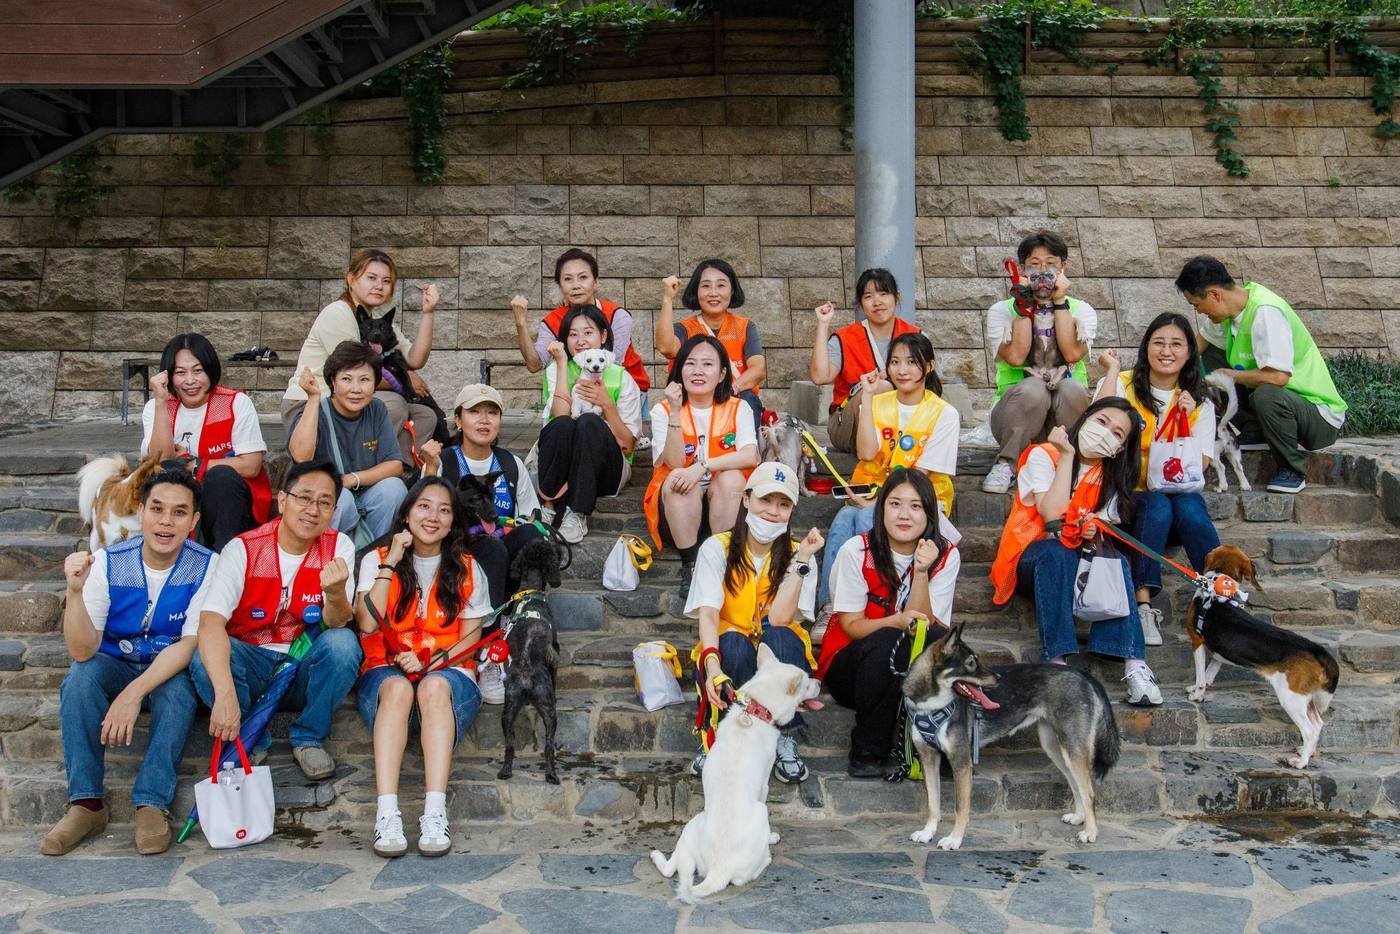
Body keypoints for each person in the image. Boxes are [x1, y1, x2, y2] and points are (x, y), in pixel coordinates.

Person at [42, 471, 216, 857]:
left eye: (179, 512)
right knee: (80, 678)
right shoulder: (108, 561)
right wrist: (74, 593)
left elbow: (188, 645)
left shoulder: (206, 566)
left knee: (177, 693)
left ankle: (151, 802)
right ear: (141, 512)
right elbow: (83, 649)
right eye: (157, 509)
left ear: (194, 521)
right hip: (115, 662)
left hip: (166, 667)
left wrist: (131, 696)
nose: (166, 521)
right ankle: (86, 805)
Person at [192, 460, 361, 780]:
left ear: (333, 510)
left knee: (343, 644)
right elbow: (211, 622)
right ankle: (247, 735)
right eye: (304, 498)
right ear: (282, 500)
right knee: (203, 655)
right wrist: (225, 694)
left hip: (301, 668)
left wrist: (336, 593)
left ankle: (309, 736)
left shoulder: (338, 546)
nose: (313, 509)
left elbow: (337, 622)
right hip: (252, 663)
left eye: (324, 502)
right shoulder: (242, 549)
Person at [989, 398, 1162, 705]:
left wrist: (1095, 528)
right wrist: (1067, 455)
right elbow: (1052, 514)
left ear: (1119, 449)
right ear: (1087, 417)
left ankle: (1135, 665)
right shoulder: (1043, 455)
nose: (1106, 432)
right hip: (1033, 558)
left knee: (1117, 559)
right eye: (1103, 421)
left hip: (1081, 562)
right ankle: (1056, 663)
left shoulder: (1111, 477)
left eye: (1118, 434)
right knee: (1056, 551)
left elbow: (1103, 525)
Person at [355, 478, 490, 858]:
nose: (433, 516)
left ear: (453, 522)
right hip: (385, 673)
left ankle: (434, 811)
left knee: (431, 687)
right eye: (424, 506)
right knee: (399, 688)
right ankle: (387, 814)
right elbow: (367, 623)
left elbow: (470, 639)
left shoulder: (467, 568)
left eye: (444, 510)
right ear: (407, 514)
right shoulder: (377, 558)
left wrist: (431, 662)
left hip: (449, 676)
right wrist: (391, 561)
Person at [687, 462, 823, 783]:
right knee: (732, 643)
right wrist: (712, 667)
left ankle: (783, 736)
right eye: (765, 500)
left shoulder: (800, 554)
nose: (773, 512)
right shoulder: (716, 548)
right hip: (730, 651)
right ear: (747, 499)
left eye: (784, 504)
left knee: (779, 636)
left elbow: (779, 618)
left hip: (776, 651)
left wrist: (801, 560)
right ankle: (719, 736)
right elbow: (708, 612)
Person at [818, 469, 959, 778]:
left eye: (915, 506)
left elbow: (928, 626)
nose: (904, 514)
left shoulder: (946, 555)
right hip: (852, 669)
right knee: (886, 642)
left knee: (941, 640)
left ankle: (937, 741)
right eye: (894, 504)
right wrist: (896, 620)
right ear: (880, 510)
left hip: (911, 662)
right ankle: (869, 748)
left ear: (929, 513)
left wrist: (922, 571)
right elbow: (851, 626)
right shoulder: (856, 551)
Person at [1096, 314, 1222, 646]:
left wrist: (1181, 418)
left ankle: (1220, 595)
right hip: (1125, 499)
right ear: (1146, 347)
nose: (1167, 351)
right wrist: (1110, 371)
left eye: (1177, 344)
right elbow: (1094, 425)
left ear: (1189, 353)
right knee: (1158, 505)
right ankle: (1143, 606)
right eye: (1159, 342)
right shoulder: (1123, 383)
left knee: (1189, 508)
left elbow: (1201, 465)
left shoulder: (1199, 400)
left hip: (1176, 499)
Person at [1174, 255, 1348, 494]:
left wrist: (1228, 375)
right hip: (1282, 406)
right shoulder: (1227, 312)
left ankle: (1292, 470)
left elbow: (1278, 378)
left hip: (1318, 416)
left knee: (1266, 394)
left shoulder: (1266, 312)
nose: (1199, 311)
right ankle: (1253, 429)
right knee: (1212, 355)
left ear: (1214, 294)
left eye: (1196, 304)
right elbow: (1193, 350)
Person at [816, 333, 959, 617]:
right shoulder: (879, 402)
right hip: (871, 492)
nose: (902, 370)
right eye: (895, 362)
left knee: (867, 517)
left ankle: (875, 598)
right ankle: (831, 607)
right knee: (844, 520)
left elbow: (918, 477)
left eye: (911, 362)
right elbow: (867, 453)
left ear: (929, 366)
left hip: (921, 498)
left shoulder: (944, 413)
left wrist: (878, 501)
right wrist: (867, 399)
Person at [421, 382, 545, 706]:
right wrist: (430, 471)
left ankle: (517, 633)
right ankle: (485, 651)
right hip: (455, 549)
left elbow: (532, 516)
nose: (484, 419)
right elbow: (420, 516)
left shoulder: (510, 463)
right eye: (474, 412)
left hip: (501, 549)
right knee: (491, 549)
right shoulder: (444, 460)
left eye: (492, 412)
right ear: (458, 420)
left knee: (532, 541)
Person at [282, 248, 440, 467]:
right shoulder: (338, 313)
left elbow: (415, 359)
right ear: (351, 279)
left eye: (386, 281)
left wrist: (429, 312)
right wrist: (404, 378)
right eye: (371, 278)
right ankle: (362, 469)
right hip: (311, 403)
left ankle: (398, 470)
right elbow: (357, 373)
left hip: (352, 398)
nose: (379, 285)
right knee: (393, 404)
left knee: (425, 415)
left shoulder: (376, 321)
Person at [643, 334, 760, 601]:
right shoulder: (662, 410)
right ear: (679, 370)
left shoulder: (738, 407)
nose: (697, 371)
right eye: (690, 363)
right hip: (678, 513)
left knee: (731, 478)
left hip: (725, 507)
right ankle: (691, 564)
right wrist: (674, 411)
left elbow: (750, 455)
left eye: (707, 364)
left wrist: (703, 466)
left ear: (721, 374)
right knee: (676, 479)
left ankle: (722, 561)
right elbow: (673, 462)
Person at [982, 230, 1096, 495]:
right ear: (1022, 269)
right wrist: (1024, 304)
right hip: (1016, 415)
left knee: (1072, 389)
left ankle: (1077, 465)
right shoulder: (1002, 311)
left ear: (1063, 268)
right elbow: (1016, 356)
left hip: (1064, 410)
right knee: (1034, 388)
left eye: (1051, 265)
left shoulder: (1082, 310)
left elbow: (1071, 354)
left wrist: (1058, 302)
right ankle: (1007, 464)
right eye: (1034, 265)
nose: (1042, 272)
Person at [141, 333, 272, 550]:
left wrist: (197, 465)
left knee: (220, 477)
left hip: (229, 508)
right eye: (180, 373)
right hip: (179, 506)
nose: (190, 381)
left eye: (198, 370)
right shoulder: (157, 407)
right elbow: (161, 462)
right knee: (166, 474)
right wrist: (161, 403)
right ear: (168, 376)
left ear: (210, 369)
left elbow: (251, 465)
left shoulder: (236, 403)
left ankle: (225, 561)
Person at [537, 304, 644, 544]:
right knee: (563, 424)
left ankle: (577, 512)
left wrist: (607, 405)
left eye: (588, 332)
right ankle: (548, 507)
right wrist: (562, 363)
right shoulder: (556, 369)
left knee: (588, 422)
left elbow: (628, 446)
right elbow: (561, 415)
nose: (580, 340)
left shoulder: (620, 376)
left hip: (608, 469)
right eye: (573, 334)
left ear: (603, 336)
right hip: (563, 465)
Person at [288, 341, 408, 541]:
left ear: (375, 383)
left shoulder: (376, 409)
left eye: (364, 380)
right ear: (333, 382)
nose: (356, 389)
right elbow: (301, 456)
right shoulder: (315, 410)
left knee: (393, 490)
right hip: (321, 498)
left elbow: (394, 465)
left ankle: (370, 556)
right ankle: (325, 557)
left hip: (364, 494)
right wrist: (313, 399)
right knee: (339, 498)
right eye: (346, 379)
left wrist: (351, 479)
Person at [807, 268, 921, 454]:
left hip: (904, 421)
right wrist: (823, 324)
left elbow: (931, 387)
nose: (877, 302)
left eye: (884, 294)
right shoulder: (845, 338)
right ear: (860, 304)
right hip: (848, 424)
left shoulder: (916, 336)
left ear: (896, 297)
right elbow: (820, 377)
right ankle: (877, 459)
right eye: (868, 296)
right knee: (879, 388)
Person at [509, 247, 650, 391]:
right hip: (575, 391)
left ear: (595, 282)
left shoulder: (617, 315)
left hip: (626, 389)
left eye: (583, 277)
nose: (576, 286)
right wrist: (520, 323)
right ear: (560, 285)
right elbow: (534, 365)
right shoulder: (553, 320)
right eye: (568, 279)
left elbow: (611, 365)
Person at [656, 260, 765, 433]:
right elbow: (666, 348)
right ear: (696, 291)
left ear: (732, 290)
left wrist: (729, 389)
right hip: (693, 398)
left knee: (749, 401)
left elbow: (758, 369)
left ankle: (745, 457)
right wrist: (668, 298)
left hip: (735, 398)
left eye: (721, 285)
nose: (713, 293)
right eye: (706, 286)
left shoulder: (745, 327)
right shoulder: (684, 328)